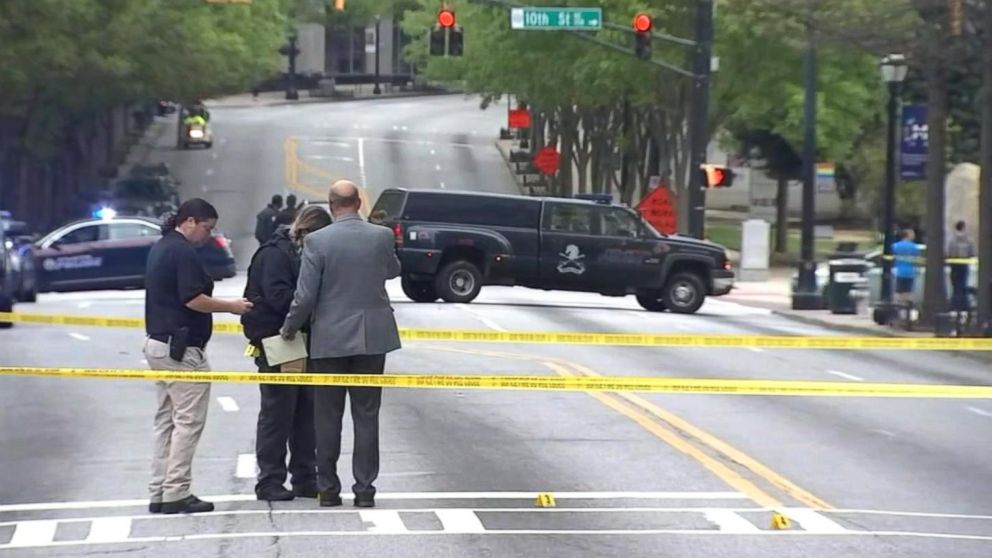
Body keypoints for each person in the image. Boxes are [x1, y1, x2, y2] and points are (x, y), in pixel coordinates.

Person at [281, 180, 401, 509]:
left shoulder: (318, 241)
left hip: (330, 338)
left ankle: (328, 488)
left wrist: (290, 328)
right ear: (359, 202)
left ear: (332, 204)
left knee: (327, 416)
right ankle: (364, 489)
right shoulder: (383, 236)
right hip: (373, 337)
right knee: (366, 415)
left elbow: (305, 296)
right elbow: (393, 271)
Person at [144, 199, 253, 515]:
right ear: (189, 221)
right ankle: (176, 491)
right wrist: (232, 306)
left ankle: (160, 490)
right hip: (181, 349)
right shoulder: (182, 252)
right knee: (188, 423)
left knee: (166, 422)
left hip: (158, 344)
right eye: (206, 227)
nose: (208, 234)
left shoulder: (162, 246)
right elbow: (193, 299)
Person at [242, 206, 332, 502]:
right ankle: (269, 479)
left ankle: (305, 477)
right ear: (305, 233)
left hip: (302, 341)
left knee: (306, 413)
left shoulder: (297, 252)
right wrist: (311, 305)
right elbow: (278, 297)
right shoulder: (275, 254)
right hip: (278, 340)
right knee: (277, 414)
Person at [947, 220, 976, 313]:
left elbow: (949, 252)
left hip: (954, 265)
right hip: (964, 264)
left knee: (955, 285)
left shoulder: (952, 240)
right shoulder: (968, 240)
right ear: (963, 227)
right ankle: (963, 305)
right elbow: (972, 252)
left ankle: (954, 305)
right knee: (962, 284)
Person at [892, 228, 921, 306]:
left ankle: (898, 306)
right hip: (910, 272)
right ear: (908, 235)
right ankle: (906, 307)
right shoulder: (914, 247)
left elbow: (892, 259)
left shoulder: (895, 246)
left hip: (898, 271)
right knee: (908, 291)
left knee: (898, 291)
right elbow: (917, 260)